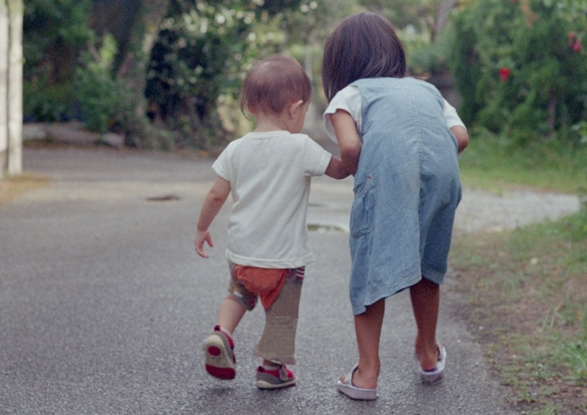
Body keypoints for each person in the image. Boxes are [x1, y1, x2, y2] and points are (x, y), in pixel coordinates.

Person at [320, 12, 470, 400]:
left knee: (371, 266)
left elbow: (351, 147)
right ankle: (428, 353)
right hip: (443, 172)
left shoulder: (350, 95)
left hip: (387, 173)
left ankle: (367, 374)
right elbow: (461, 136)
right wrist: (426, 159)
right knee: (427, 264)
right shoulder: (427, 90)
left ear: (341, 63)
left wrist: (366, 173)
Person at [194, 54, 349, 390]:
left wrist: (202, 227)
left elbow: (216, 195)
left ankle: (221, 333)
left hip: (242, 255)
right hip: (284, 260)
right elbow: (338, 170)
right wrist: (356, 153)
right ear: (294, 109)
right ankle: (271, 369)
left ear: (249, 106)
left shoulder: (236, 148)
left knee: (237, 295)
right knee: (281, 314)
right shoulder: (300, 146)